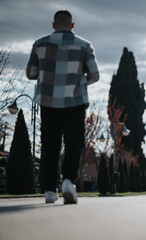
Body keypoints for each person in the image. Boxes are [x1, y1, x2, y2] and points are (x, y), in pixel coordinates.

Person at [26, 10, 99, 204]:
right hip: (74, 101)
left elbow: (31, 73)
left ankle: (50, 190)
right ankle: (68, 181)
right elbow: (94, 75)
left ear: (53, 25)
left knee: (50, 145)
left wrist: (48, 76)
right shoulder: (84, 45)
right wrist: (78, 81)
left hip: (48, 101)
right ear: (72, 25)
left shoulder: (39, 44)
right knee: (73, 143)